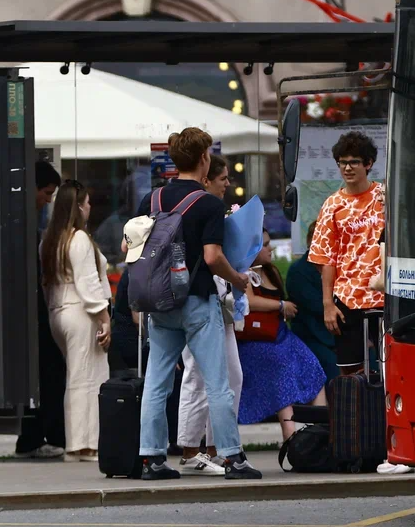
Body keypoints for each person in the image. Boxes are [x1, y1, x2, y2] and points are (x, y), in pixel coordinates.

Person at [133, 128, 261, 480]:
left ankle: (151, 457)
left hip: (160, 302)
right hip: (197, 302)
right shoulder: (207, 203)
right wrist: (237, 278)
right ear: (204, 159)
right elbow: (212, 256)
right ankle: (233, 457)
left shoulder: (152, 200)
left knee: (157, 382)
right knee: (217, 382)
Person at [174, 154, 242, 475]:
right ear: (206, 178)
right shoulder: (206, 210)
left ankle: (217, 448)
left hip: (217, 300)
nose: (228, 183)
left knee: (230, 376)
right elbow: (212, 257)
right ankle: (191, 450)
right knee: (198, 375)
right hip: (198, 298)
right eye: (222, 178)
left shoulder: (217, 211)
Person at [41, 179, 112, 462]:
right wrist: (104, 318)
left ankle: (80, 442)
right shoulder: (79, 239)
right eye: (88, 203)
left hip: (59, 312)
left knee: (76, 376)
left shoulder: (50, 240)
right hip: (81, 312)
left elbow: (47, 285)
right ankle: (84, 445)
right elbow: (89, 284)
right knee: (88, 378)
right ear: (79, 207)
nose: (90, 207)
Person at [236, 230, 328, 438]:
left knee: (314, 370)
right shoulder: (244, 273)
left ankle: (319, 432)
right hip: (256, 339)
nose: (271, 249)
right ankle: (291, 438)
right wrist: (280, 305)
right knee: (281, 375)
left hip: (281, 335)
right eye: (266, 245)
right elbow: (249, 301)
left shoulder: (272, 271)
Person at [308, 131, 385, 374]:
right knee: (350, 375)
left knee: (390, 370)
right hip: (347, 299)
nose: (347, 168)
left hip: (385, 297)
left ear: (368, 163)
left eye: (354, 162)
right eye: (342, 162)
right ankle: (356, 414)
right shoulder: (332, 205)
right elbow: (325, 258)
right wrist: (327, 303)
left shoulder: (384, 196)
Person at [16, 160, 67, 459]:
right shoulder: (23, 223)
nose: (48, 200)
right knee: (48, 371)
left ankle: (35, 436)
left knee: (44, 372)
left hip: (33, 309)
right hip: (30, 313)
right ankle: (37, 437)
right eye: (46, 193)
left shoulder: (29, 221)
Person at [286, 220, 339, 380]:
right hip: (313, 338)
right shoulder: (298, 272)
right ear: (311, 241)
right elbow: (318, 306)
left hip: (340, 336)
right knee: (334, 370)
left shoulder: (339, 267)